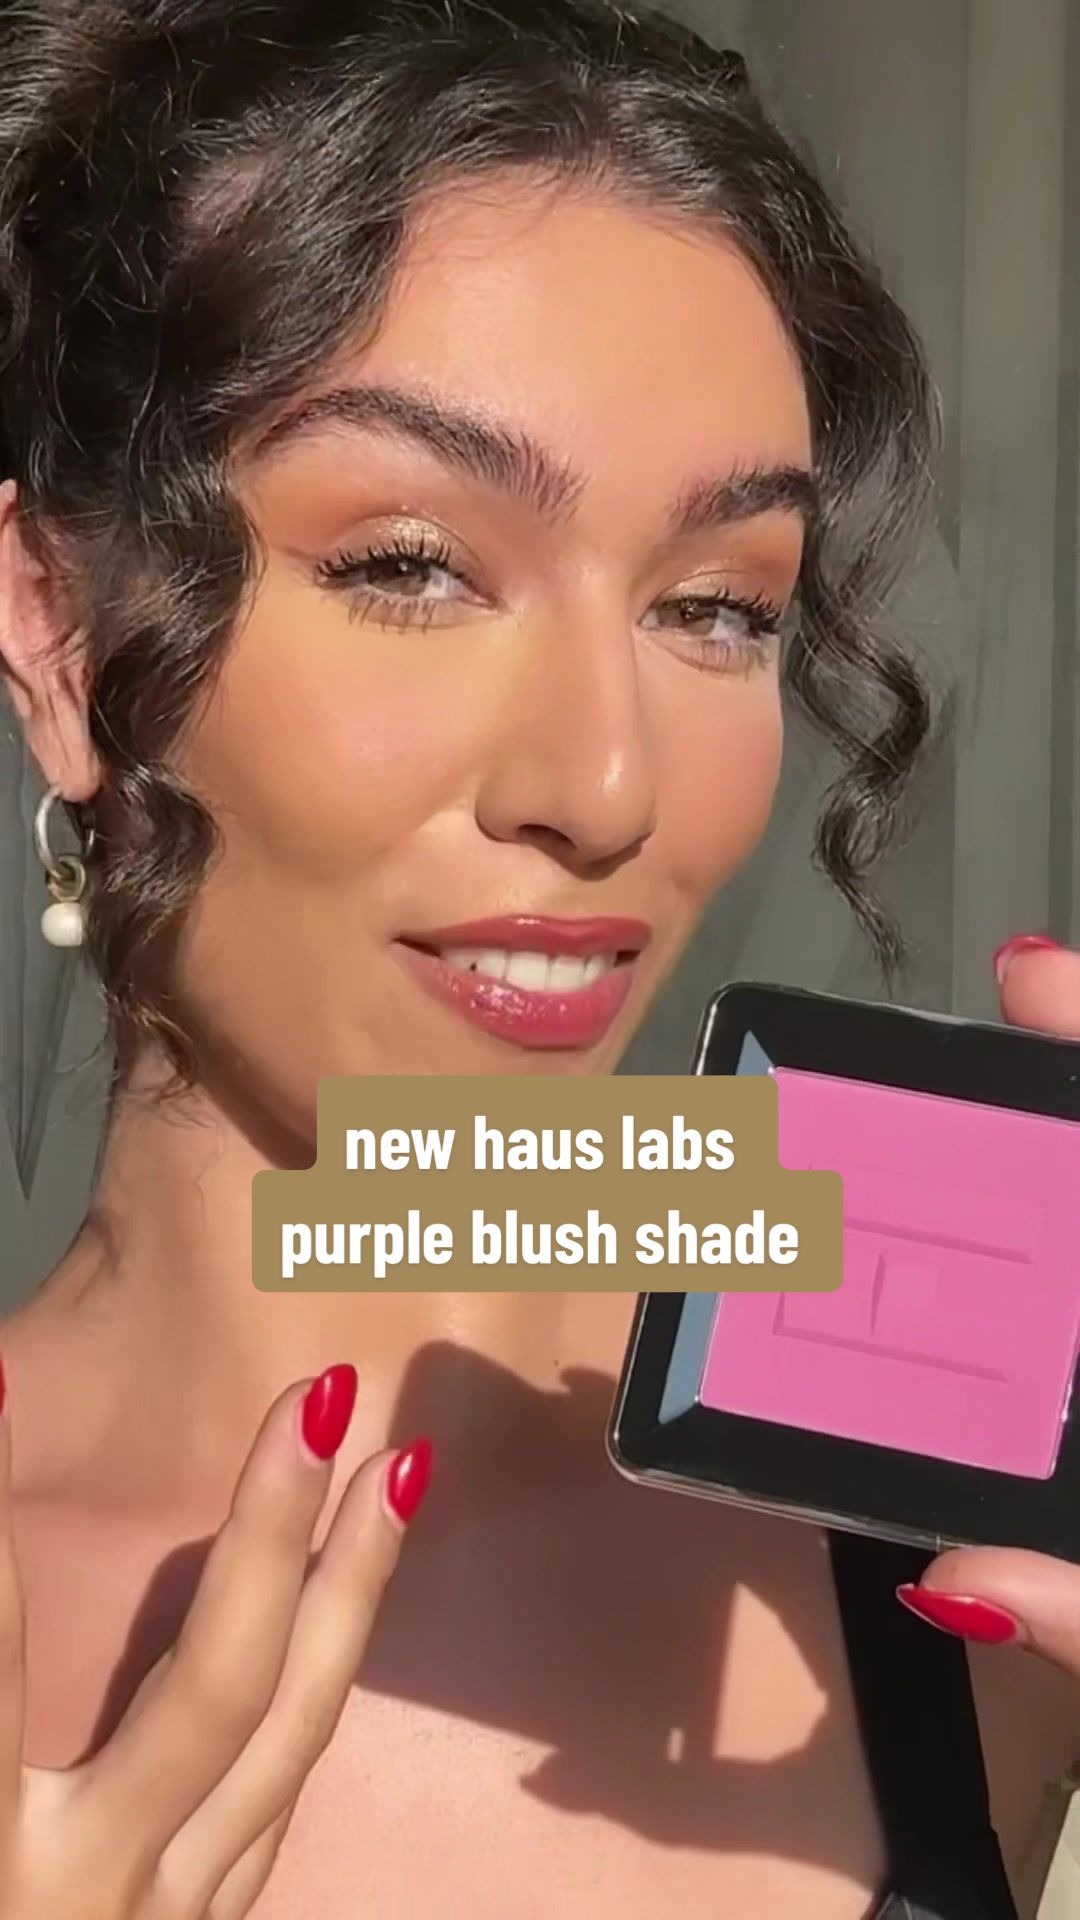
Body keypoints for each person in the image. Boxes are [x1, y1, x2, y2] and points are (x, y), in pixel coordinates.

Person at [0, 0, 1077, 1914]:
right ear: (60, 633)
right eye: (410, 564)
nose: (607, 787)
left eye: (718, 605)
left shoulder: (945, 1506)